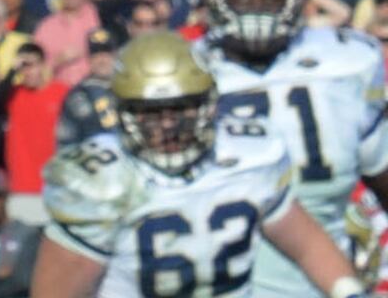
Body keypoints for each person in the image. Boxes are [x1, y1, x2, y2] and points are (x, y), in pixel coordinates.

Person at [35, 35, 357, 298]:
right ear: (123, 112)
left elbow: (305, 244)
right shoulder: (99, 179)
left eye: (182, 108)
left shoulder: (251, 153)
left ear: (209, 103)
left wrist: (350, 292)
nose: (168, 125)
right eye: (150, 112)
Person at [191, 0, 388, 248]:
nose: (256, 5)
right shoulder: (188, 71)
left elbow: (379, 166)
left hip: (328, 259)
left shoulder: (346, 62)